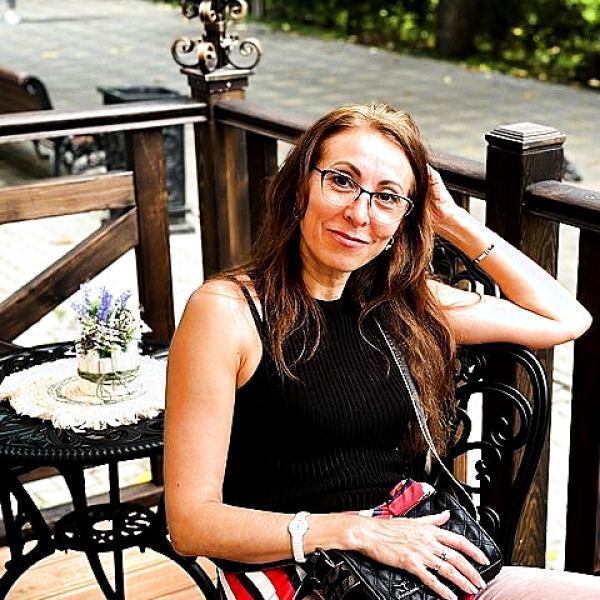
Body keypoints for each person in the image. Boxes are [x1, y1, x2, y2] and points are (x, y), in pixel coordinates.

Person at [165, 103, 599, 600]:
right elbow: (192, 524)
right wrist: (355, 531)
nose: (360, 213)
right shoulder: (227, 313)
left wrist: (452, 220)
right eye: (341, 181)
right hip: (307, 578)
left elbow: (565, 318)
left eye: (388, 197)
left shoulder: (402, 304)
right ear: (300, 187)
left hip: (419, 565)